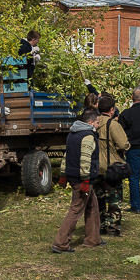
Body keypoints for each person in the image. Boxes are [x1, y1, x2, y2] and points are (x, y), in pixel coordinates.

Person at [51, 107, 103, 253]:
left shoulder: (72, 134)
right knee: (75, 210)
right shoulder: (88, 136)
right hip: (82, 179)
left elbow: (66, 156)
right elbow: (85, 159)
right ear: (91, 122)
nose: (98, 125)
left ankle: (93, 239)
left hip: (75, 176)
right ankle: (60, 243)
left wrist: (62, 174)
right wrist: (85, 180)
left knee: (93, 206)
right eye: (98, 122)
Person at [95, 93, 130, 236]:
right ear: (111, 109)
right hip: (112, 167)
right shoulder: (113, 125)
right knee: (114, 199)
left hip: (96, 167)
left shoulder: (94, 123)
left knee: (99, 200)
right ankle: (113, 227)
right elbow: (123, 144)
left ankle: (100, 226)